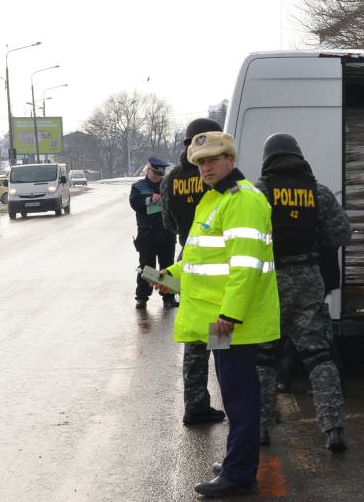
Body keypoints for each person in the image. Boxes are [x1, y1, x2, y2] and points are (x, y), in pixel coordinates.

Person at [157, 131, 280, 498]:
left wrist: (230, 314)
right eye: (200, 162)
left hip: (232, 322)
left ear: (230, 159)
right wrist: (170, 276)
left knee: (240, 397)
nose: (206, 167)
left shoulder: (243, 201)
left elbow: (246, 264)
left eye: (213, 160)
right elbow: (200, 260)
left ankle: (239, 474)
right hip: (221, 320)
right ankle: (236, 461)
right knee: (231, 393)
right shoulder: (213, 200)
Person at [255, 133, 352, 452]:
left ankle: (261, 428)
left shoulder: (259, 193)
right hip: (310, 277)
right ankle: (333, 428)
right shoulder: (318, 192)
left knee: (264, 358)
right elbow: (341, 234)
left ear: (268, 158)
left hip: (271, 281)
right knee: (319, 356)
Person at [160, 118, 226, 426]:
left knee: (195, 339)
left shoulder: (171, 178)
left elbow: (167, 221)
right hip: (219, 258)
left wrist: (187, 237)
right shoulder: (214, 174)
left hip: (189, 254)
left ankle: (195, 404)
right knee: (221, 334)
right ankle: (238, 402)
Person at [129, 157, 177, 309]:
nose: (157, 177)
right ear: (148, 169)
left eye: (160, 174)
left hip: (167, 234)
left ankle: (168, 297)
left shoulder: (168, 185)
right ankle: (142, 297)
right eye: (155, 173)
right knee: (146, 268)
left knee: (167, 267)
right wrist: (150, 200)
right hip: (147, 235)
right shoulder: (138, 187)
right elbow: (135, 204)